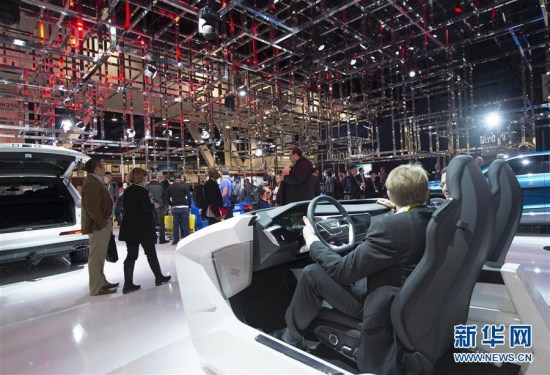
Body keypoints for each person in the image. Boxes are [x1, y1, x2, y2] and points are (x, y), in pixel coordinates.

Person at [277, 163, 433, 348]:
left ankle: (291, 338)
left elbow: (342, 271)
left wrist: (312, 240)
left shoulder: (389, 228)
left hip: (381, 307)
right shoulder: (433, 219)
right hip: (409, 299)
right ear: (426, 192)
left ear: (390, 194)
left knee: (311, 274)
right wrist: (399, 208)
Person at [118, 167, 171, 294]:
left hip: (129, 228)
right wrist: (154, 205)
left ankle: (128, 284)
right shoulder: (142, 191)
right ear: (141, 177)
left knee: (131, 255)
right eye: (144, 176)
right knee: (151, 253)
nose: (146, 178)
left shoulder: (127, 191)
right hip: (143, 228)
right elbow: (145, 208)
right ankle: (159, 277)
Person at [81, 158, 118, 296]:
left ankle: (102, 282)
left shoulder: (95, 182)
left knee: (100, 256)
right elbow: (92, 209)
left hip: (101, 224)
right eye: (102, 167)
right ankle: (97, 287)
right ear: (96, 168)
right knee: (96, 257)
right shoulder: (92, 183)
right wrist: (102, 223)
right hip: (98, 226)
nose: (104, 169)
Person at [166, 174, 192, 245]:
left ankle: (176, 241)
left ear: (174, 179)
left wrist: (172, 204)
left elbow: (167, 198)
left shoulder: (170, 187)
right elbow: (189, 197)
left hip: (175, 208)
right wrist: (189, 206)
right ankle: (186, 241)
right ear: (181, 178)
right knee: (186, 224)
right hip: (184, 207)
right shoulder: (185, 186)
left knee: (176, 225)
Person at [147, 174, 169, 244]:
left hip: (150, 206)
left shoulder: (147, 186)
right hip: (160, 206)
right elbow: (164, 196)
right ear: (156, 178)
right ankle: (162, 239)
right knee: (161, 223)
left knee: (151, 222)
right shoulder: (160, 185)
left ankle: (153, 239)